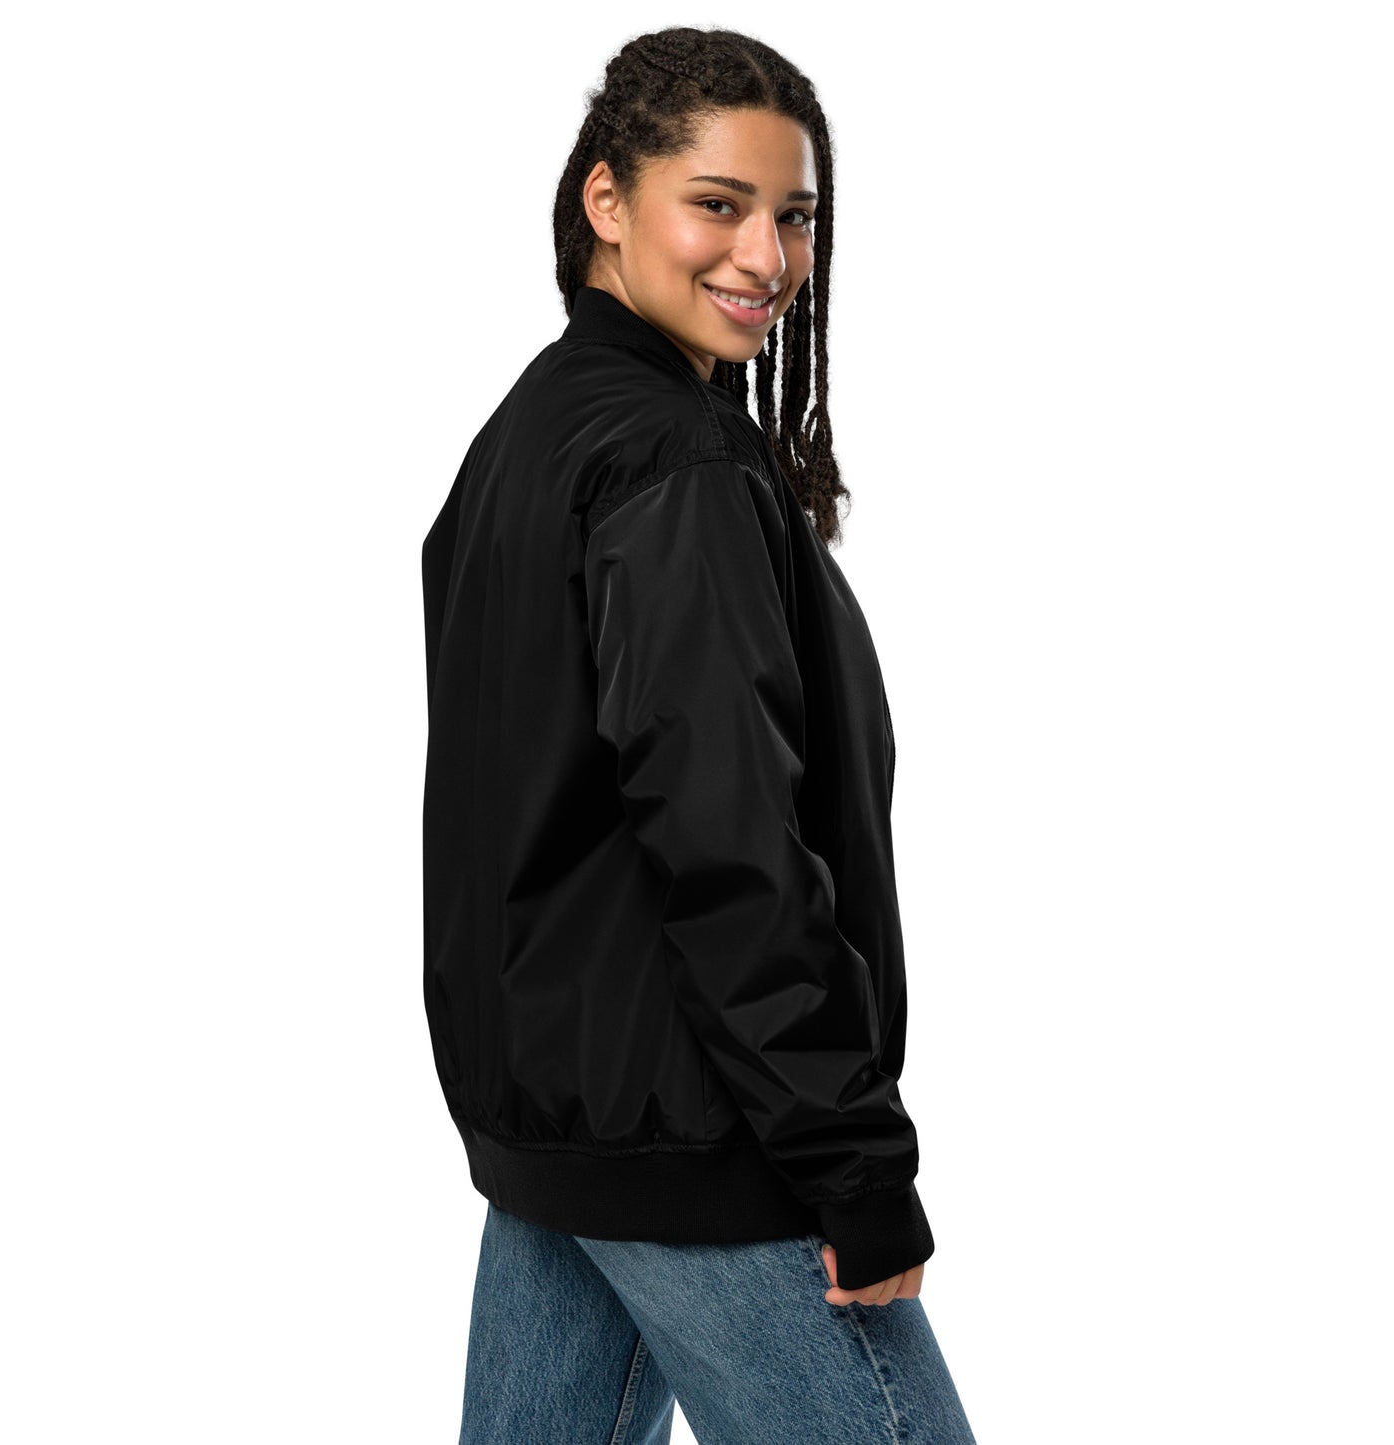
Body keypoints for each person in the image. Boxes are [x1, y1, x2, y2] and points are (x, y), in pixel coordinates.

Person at [421, 25, 977, 1444]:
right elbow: (731, 842)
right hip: (702, 1126)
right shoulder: (673, 456)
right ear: (608, 201)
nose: (765, 257)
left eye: (794, 215)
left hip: (566, 1124)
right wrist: (851, 1161)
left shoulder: (534, 430)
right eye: (716, 204)